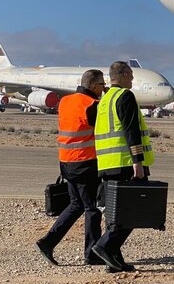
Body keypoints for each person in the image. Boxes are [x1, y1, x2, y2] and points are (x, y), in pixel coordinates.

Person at [36, 69, 106, 266]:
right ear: (93, 86)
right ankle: (91, 254)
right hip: (85, 163)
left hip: (66, 162)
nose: (104, 89)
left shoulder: (66, 101)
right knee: (92, 208)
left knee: (76, 205)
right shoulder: (92, 105)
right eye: (102, 85)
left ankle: (48, 242)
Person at [91, 61, 155, 273]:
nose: (133, 79)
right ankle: (104, 245)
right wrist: (138, 162)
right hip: (125, 163)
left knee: (115, 214)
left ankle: (113, 260)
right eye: (131, 75)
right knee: (132, 211)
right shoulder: (125, 96)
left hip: (107, 164)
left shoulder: (105, 98)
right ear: (125, 74)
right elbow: (131, 131)